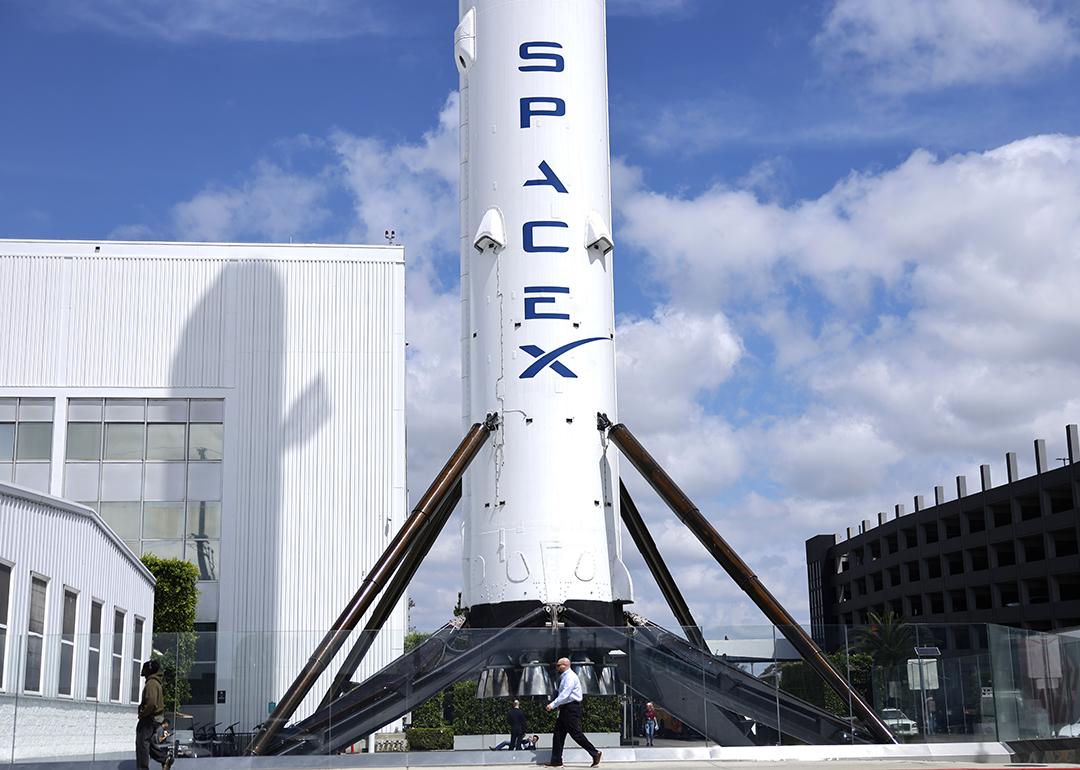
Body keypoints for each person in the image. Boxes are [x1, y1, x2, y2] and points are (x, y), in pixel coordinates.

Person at [544, 657, 601, 768]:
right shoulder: (565, 676)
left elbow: (565, 695)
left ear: (565, 665)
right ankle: (556, 760)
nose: (557, 667)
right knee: (558, 735)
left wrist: (552, 705)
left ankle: (595, 753)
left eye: (558, 665)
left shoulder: (570, 677)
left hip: (571, 709)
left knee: (576, 734)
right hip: (566, 708)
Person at [136, 660, 173, 770]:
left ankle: (143, 768)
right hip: (156, 718)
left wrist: (142, 714)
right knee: (149, 744)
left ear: (149, 670)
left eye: (145, 669)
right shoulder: (156, 682)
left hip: (149, 718)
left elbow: (151, 703)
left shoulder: (151, 683)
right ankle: (165, 759)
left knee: (142, 744)